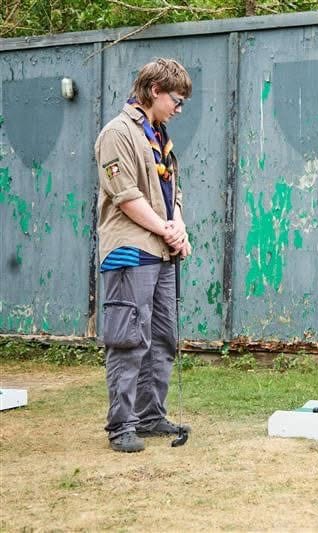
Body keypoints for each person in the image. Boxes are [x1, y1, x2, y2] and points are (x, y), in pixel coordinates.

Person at [95, 58, 193, 452]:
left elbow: (173, 193)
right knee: (128, 338)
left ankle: (150, 415)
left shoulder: (159, 135)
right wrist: (166, 228)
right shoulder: (116, 133)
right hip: (130, 252)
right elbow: (126, 197)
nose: (179, 108)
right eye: (177, 99)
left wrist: (179, 225)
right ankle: (122, 425)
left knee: (162, 336)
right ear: (155, 91)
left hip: (162, 250)